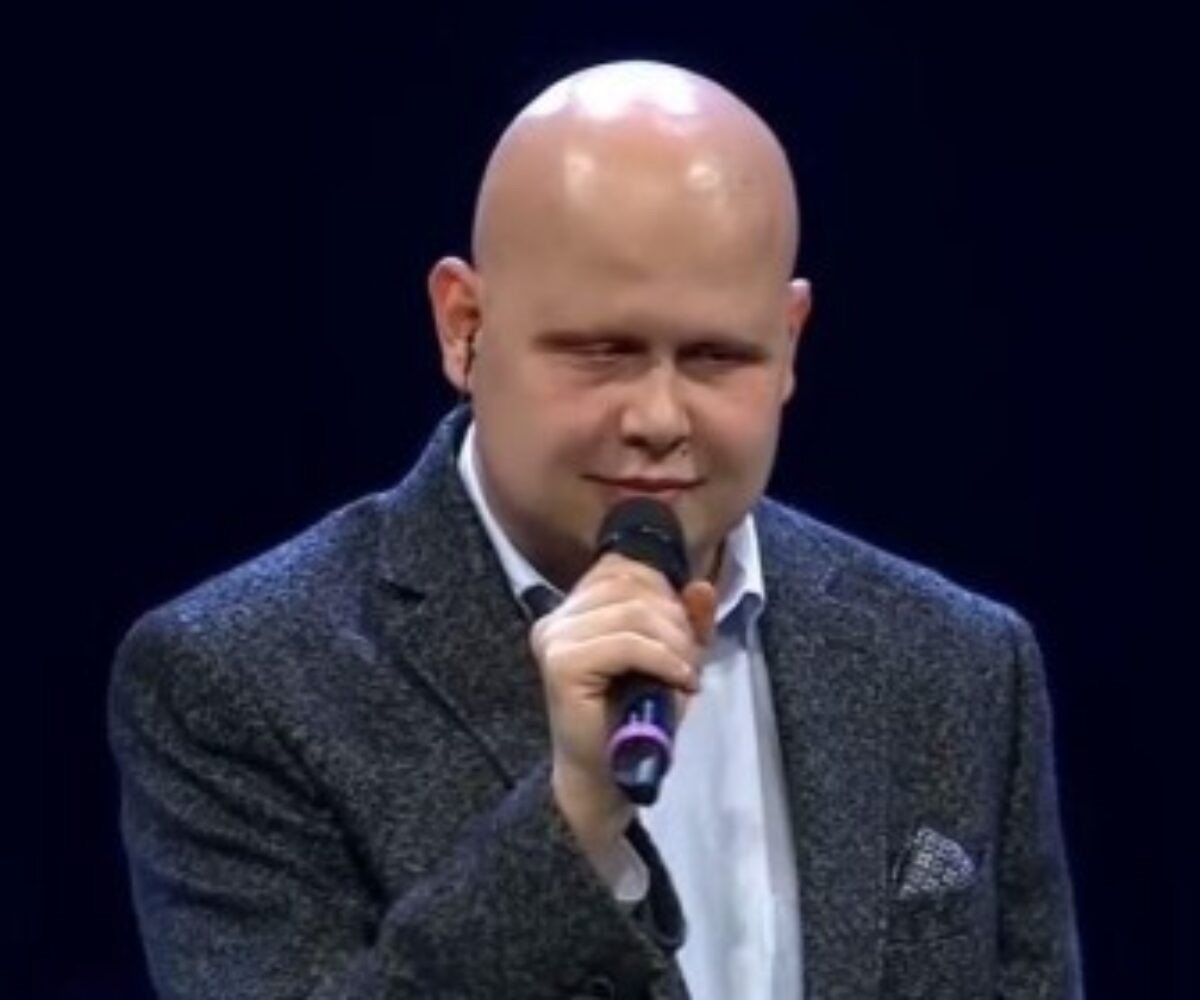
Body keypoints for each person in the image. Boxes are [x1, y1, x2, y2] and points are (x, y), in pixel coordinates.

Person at [109, 60, 1082, 999]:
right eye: (602, 351)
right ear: (463, 326)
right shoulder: (238, 680)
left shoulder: (956, 662)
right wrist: (574, 815)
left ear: (789, 343)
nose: (658, 416)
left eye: (717, 357)